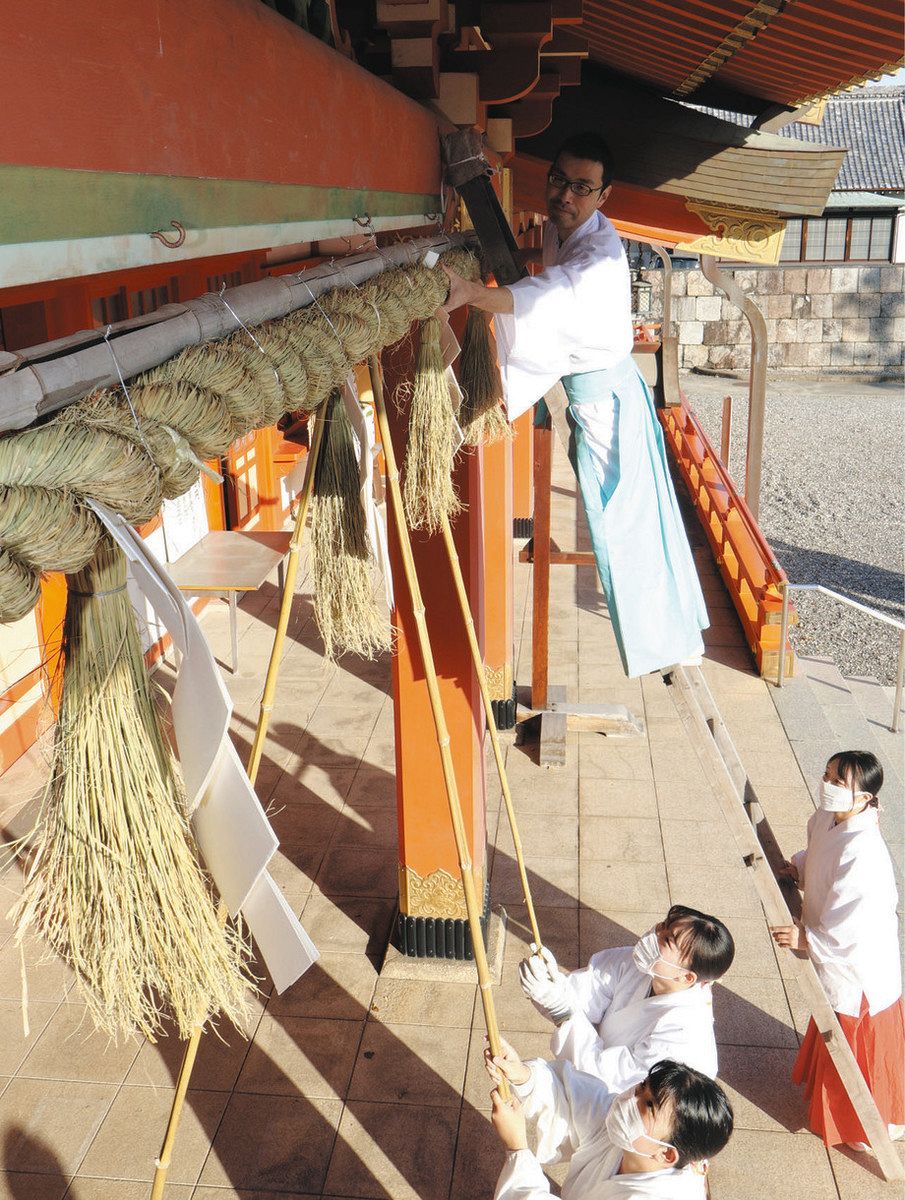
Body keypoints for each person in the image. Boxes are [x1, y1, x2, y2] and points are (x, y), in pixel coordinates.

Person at [443, 132, 708, 678]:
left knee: (621, 524)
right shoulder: (567, 232)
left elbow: (548, 298)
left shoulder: (597, 261)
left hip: (609, 407)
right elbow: (542, 298)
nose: (565, 195)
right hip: (600, 394)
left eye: (582, 187)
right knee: (635, 518)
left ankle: (659, 644)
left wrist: (472, 296)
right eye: (559, 180)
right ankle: (671, 632)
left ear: (603, 195)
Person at [771, 750, 904, 1151]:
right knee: (835, 1024)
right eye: (827, 775)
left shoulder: (864, 852)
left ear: (864, 798)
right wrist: (799, 867)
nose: (827, 785)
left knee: (856, 1034)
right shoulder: (826, 819)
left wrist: (807, 940)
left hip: (858, 958)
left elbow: (851, 921)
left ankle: (873, 1123)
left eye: (838, 782)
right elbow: (817, 853)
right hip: (837, 939)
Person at [519, 905, 734, 1093]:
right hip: (591, 1087)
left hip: (632, 1116)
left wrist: (561, 1008)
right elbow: (585, 992)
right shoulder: (637, 965)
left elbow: (610, 1082)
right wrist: (552, 983)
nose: (655, 933)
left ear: (687, 976)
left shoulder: (683, 1037)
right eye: (664, 925)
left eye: (667, 940)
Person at [485, 1040, 734, 1198]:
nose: (631, 1098)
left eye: (649, 1105)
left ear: (667, 1155)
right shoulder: (635, 1136)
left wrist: (517, 1147)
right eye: (642, 1087)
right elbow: (577, 1102)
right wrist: (523, 1076)